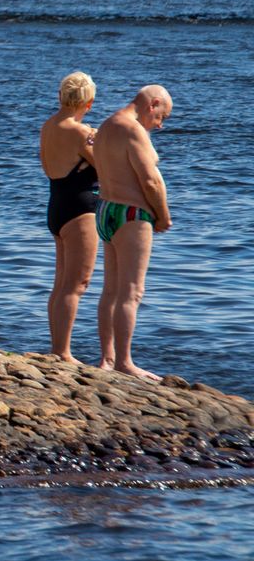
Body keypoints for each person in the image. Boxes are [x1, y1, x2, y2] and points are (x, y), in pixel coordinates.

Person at [91, 85, 174, 380]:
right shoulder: (133, 130)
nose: (161, 125)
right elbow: (150, 180)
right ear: (152, 104)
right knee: (132, 292)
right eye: (162, 116)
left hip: (105, 210)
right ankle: (125, 362)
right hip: (131, 213)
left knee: (110, 290)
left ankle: (107, 358)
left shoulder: (106, 125)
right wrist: (163, 216)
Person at [40, 72, 101, 362]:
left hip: (56, 203)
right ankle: (62, 351)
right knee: (77, 283)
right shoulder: (80, 133)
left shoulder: (48, 127)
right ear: (87, 103)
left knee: (62, 282)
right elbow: (105, 165)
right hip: (79, 208)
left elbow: (46, 165)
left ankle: (57, 347)